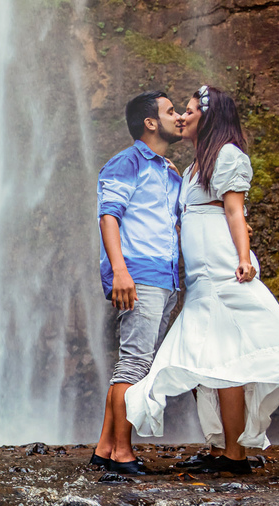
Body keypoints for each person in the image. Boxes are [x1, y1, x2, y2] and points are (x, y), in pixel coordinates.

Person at [124, 85, 279, 474]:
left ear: (209, 117)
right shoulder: (192, 167)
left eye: (188, 111)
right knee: (215, 363)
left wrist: (243, 259)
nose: (182, 117)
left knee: (227, 364)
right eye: (180, 111)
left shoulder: (228, 156)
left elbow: (235, 213)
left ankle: (235, 455)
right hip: (202, 278)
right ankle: (223, 448)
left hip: (223, 269)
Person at [91, 91, 184, 475]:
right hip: (139, 274)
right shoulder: (127, 162)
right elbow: (109, 216)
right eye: (171, 111)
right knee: (133, 364)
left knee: (137, 364)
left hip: (165, 276)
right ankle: (122, 454)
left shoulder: (170, 171)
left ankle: (104, 448)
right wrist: (121, 271)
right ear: (151, 122)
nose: (179, 117)